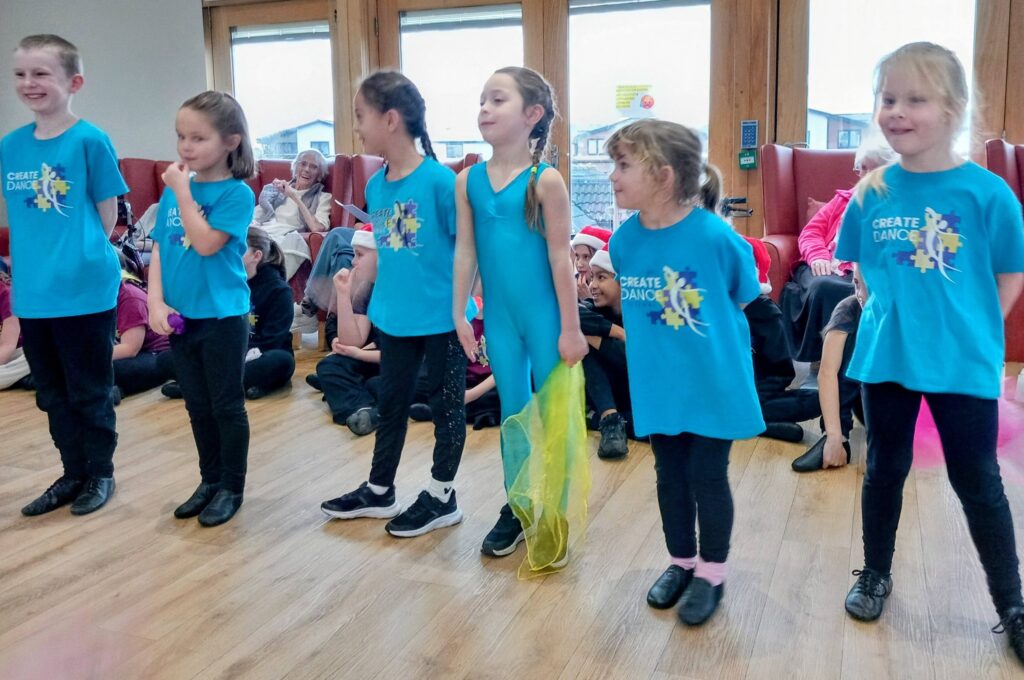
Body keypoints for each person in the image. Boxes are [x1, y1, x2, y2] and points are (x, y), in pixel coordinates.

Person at [835, 42, 1024, 661]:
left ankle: (1012, 603)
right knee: (884, 468)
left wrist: (974, 328)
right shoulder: (871, 192)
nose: (896, 111)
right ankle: (876, 573)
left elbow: (1009, 273)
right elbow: (861, 271)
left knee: (979, 482)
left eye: (915, 99)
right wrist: (887, 311)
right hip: (887, 357)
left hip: (962, 363)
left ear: (953, 109)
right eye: (888, 98)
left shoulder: (988, 194)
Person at [608, 119, 764, 625]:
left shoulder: (715, 237)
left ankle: (712, 573)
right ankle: (682, 561)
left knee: (706, 476)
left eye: (624, 165)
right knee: (669, 476)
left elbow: (745, 294)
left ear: (665, 175)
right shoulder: (623, 242)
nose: (613, 175)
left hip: (712, 382)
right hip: (658, 384)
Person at [319, 71, 468, 539]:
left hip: (441, 319)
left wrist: (464, 311)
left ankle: (444, 496)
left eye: (361, 116)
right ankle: (380, 488)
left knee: (446, 407)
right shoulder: (378, 187)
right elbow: (388, 251)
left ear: (391, 118)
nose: (358, 128)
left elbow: (467, 253)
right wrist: (350, 288)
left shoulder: (442, 183)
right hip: (394, 315)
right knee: (391, 400)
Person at [453, 66, 589, 573]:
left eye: (497, 100)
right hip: (502, 323)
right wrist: (460, 313)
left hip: (546, 319)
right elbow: (466, 252)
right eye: (482, 99)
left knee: (554, 416)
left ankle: (552, 509)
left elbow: (560, 259)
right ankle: (518, 504)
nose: (484, 109)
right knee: (513, 413)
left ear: (532, 116)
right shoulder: (466, 181)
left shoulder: (544, 180)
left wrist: (572, 328)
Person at [3, 34, 127, 516]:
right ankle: (72, 472)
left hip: (83, 290)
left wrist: (72, 257)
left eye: (41, 74)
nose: (29, 83)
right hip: (33, 295)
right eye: (20, 74)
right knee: (52, 394)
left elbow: (107, 215)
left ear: (73, 82)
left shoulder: (90, 140)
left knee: (90, 391)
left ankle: (100, 473)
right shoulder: (10, 147)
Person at [148, 90, 255, 527]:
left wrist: (180, 191)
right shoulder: (178, 190)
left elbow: (208, 243)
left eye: (198, 138)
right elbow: (158, 248)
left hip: (223, 316)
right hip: (182, 318)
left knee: (226, 405)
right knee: (196, 404)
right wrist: (155, 300)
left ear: (230, 141)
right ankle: (209, 480)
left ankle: (232, 485)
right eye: (180, 137)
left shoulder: (236, 194)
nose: (185, 148)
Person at [780, 137, 895, 363]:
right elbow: (811, 233)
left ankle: (857, 359)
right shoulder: (843, 200)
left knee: (866, 290)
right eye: (861, 169)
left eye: (871, 169)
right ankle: (824, 358)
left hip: (863, 270)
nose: (863, 176)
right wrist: (818, 256)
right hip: (827, 264)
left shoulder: (898, 205)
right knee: (824, 285)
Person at [308, 225, 382, 430]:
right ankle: (361, 410)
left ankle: (354, 397)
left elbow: (404, 355)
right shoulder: (367, 286)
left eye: (359, 255)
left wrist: (357, 354)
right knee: (330, 366)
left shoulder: (403, 289)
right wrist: (342, 293)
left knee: (379, 384)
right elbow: (353, 340)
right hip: (378, 358)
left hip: (410, 364)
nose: (353, 261)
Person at [789, 277, 866, 472]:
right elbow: (827, 372)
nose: (861, 294)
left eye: (870, 285)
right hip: (861, 393)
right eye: (856, 283)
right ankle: (840, 438)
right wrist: (833, 437)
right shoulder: (849, 308)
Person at [579, 245, 631, 459]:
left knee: (587, 343)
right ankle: (610, 421)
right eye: (592, 278)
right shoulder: (595, 311)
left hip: (635, 396)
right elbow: (569, 313)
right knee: (584, 348)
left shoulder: (638, 314)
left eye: (602, 278)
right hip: (610, 396)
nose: (593, 285)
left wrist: (593, 338)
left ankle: (603, 419)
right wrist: (617, 332)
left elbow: (634, 361)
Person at [251, 148, 331, 280]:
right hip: (264, 231)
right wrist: (253, 223)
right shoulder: (278, 189)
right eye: (303, 164)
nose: (306, 169)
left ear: (319, 174)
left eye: (313, 167)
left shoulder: (323, 197)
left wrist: (294, 196)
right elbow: (255, 214)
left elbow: (317, 228)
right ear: (295, 167)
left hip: (284, 235)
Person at [239, 226, 295, 399]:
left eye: (239, 249)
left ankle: (204, 386)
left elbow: (272, 340)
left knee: (281, 362)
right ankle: (241, 384)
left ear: (256, 256)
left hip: (263, 353)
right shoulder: (229, 282)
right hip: (231, 353)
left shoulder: (278, 290)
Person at [111, 273, 173, 399]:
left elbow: (130, 348)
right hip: (137, 354)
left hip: (155, 354)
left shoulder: (129, 298)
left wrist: (90, 358)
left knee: (97, 368)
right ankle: (112, 390)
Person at [0, 272, 32, 390]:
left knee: (34, 355)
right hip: (6, 356)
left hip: (20, 349)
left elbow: (8, 345)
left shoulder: (7, 294)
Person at [571, 225, 611, 301]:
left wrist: (588, 300)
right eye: (577, 256)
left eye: (586, 257)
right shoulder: (571, 285)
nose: (579, 264)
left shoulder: (611, 289)